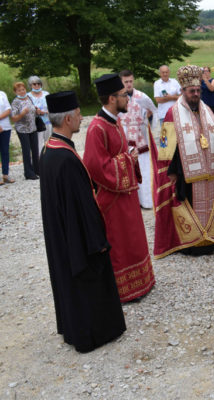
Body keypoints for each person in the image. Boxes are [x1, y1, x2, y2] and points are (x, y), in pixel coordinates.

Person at [39, 90, 126, 353]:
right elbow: (81, 206)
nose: (81, 119)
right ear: (67, 119)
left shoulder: (50, 149)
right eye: (78, 114)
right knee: (86, 280)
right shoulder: (65, 158)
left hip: (61, 234)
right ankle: (94, 333)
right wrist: (97, 240)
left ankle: (73, 328)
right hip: (77, 238)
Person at [83, 74, 155, 302]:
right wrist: (127, 160)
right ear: (112, 98)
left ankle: (141, 282)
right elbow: (95, 166)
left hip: (126, 195)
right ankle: (124, 290)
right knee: (121, 243)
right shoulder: (97, 128)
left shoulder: (115, 121)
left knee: (133, 239)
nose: (128, 99)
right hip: (112, 199)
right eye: (124, 95)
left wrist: (128, 157)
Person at [151, 65, 214, 258]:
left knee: (210, 205)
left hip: (209, 172)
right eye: (192, 91)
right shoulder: (172, 113)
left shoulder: (207, 110)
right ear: (183, 91)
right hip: (185, 172)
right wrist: (171, 171)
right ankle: (192, 243)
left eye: (198, 90)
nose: (196, 94)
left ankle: (212, 239)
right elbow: (166, 148)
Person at [118, 69, 159, 209]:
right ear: (121, 82)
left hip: (140, 138)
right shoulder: (117, 98)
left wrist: (149, 117)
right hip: (124, 136)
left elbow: (153, 112)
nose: (129, 84)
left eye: (131, 81)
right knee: (126, 168)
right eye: (126, 82)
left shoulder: (142, 97)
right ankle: (131, 202)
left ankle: (146, 201)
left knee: (144, 168)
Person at [10, 81, 39, 180]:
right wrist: (22, 114)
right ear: (15, 92)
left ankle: (37, 169)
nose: (22, 92)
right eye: (19, 90)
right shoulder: (15, 102)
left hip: (33, 128)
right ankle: (28, 173)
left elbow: (33, 111)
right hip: (22, 129)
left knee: (35, 149)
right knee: (26, 150)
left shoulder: (29, 98)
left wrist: (37, 111)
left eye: (23, 89)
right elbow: (13, 118)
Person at [27, 76, 51, 154]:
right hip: (35, 123)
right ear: (30, 85)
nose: (37, 85)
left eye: (38, 83)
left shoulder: (46, 94)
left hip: (48, 121)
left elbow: (52, 107)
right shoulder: (28, 96)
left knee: (49, 141)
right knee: (38, 143)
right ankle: (39, 159)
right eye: (34, 84)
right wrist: (35, 112)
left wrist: (44, 112)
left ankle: (49, 158)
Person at [0, 89, 13, 184]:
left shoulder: (2, 94)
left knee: (5, 151)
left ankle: (5, 174)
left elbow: (8, 110)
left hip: (5, 127)